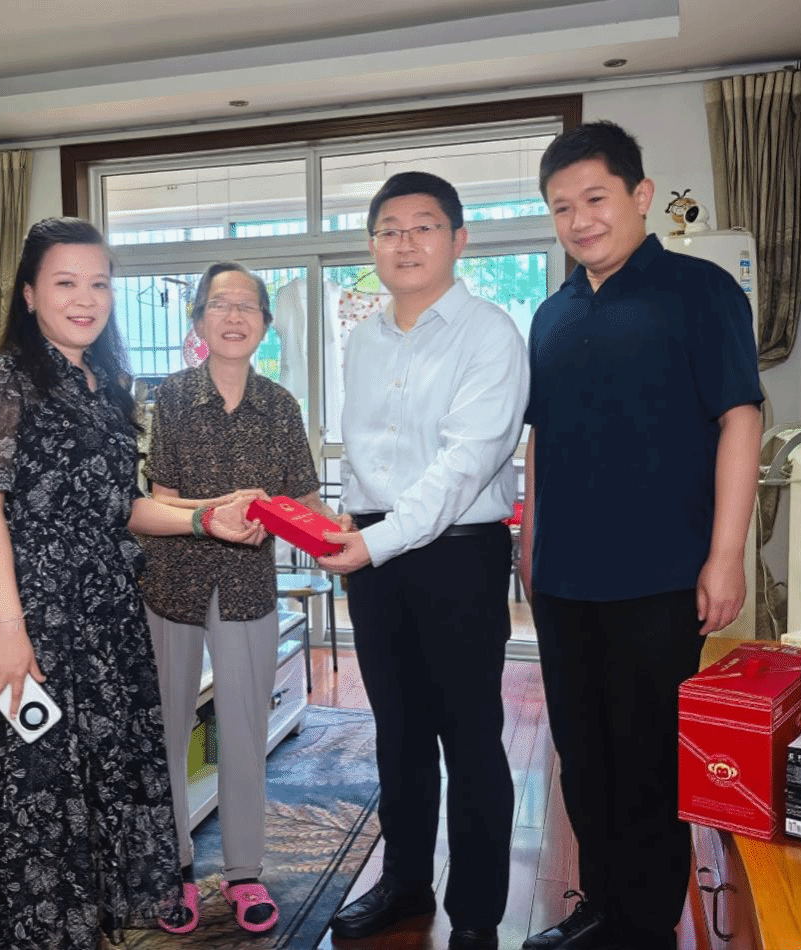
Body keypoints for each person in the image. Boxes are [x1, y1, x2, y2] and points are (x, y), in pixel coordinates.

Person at [0, 217, 263, 950]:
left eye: (99, 283)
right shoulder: (4, 381)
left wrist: (205, 521)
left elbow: (122, 506)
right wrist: (11, 630)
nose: (85, 298)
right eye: (65, 282)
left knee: (105, 798)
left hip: (111, 619)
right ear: (30, 293)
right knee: (39, 802)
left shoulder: (106, 386)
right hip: (39, 625)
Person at [520, 121, 762, 950]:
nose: (579, 220)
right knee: (583, 759)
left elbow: (740, 418)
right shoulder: (551, 315)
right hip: (563, 579)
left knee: (648, 759)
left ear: (641, 195)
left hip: (661, 575)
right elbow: (541, 440)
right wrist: (529, 543)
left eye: (595, 198)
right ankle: (603, 906)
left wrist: (725, 555)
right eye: (561, 207)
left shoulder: (700, 290)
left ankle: (647, 927)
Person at [318, 171, 529, 950]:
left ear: (458, 239)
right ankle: (405, 883)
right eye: (388, 229)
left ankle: (475, 913)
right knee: (397, 733)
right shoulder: (364, 339)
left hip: (458, 555)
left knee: (469, 738)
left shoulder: (490, 333)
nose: (405, 242)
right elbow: (370, 450)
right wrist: (355, 516)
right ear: (372, 245)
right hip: (375, 554)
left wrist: (374, 539)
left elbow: (466, 463)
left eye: (424, 226)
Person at [140, 261, 339, 936]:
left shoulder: (281, 406)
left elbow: (304, 499)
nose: (233, 316)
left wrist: (340, 535)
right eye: (220, 304)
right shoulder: (171, 399)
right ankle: (174, 868)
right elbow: (161, 501)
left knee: (246, 730)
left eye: (247, 306)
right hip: (174, 582)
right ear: (199, 320)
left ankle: (245, 872)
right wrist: (220, 512)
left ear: (264, 324)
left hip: (250, 586)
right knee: (168, 729)